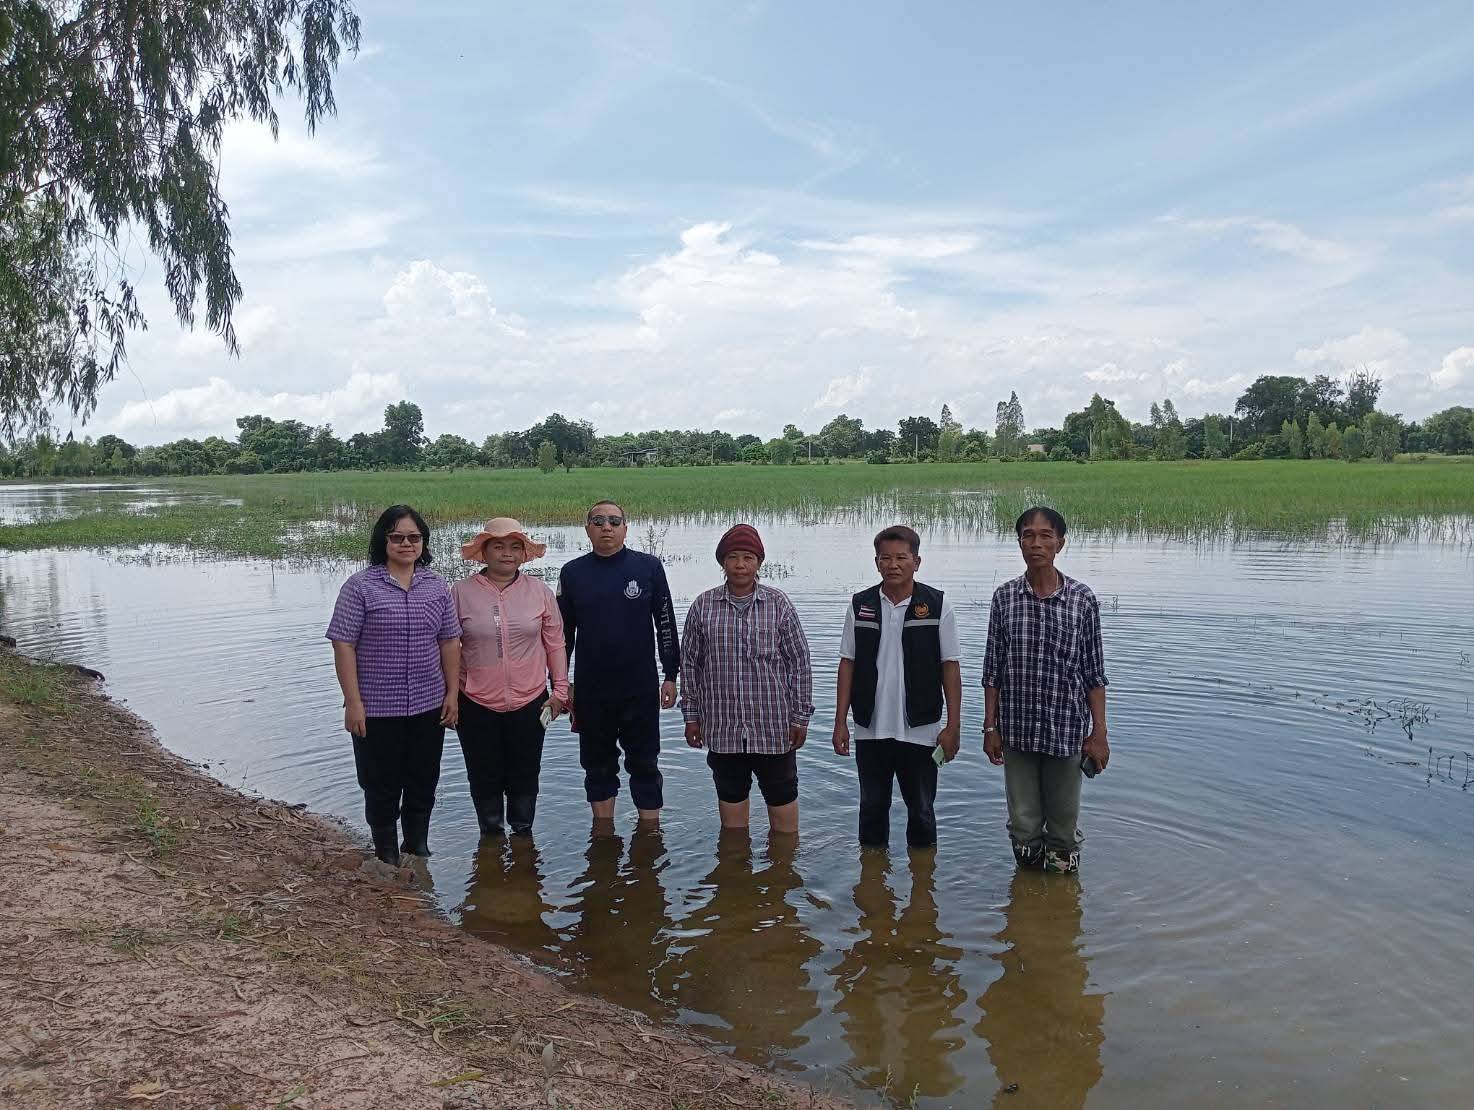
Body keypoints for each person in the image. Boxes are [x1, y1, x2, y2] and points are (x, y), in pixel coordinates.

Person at [326, 505, 460, 866]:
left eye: (414, 537)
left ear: (423, 542)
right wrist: (353, 702)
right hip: (376, 706)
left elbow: (449, 641)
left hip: (428, 703)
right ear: (383, 540)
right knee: (379, 784)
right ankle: (386, 856)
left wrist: (452, 693)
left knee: (423, 781)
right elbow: (343, 644)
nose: (406, 544)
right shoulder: (360, 587)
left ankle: (417, 851)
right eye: (397, 537)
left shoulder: (436, 586)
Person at [982, 506, 1109, 873]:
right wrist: (990, 727)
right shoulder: (1004, 598)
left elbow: (1094, 674)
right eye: (1028, 536)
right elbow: (993, 671)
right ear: (1019, 543)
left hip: (1065, 731)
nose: (1036, 543)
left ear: (1060, 543)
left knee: (1063, 830)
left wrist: (1099, 733)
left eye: (1045, 536)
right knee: (1023, 827)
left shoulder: (1082, 600)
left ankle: (1061, 899)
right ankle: (1027, 895)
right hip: (1017, 731)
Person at [832, 525, 962, 851]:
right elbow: (847, 663)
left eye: (901, 558)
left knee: (922, 811)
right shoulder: (860, 605)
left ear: (916, 562)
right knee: (871, 808)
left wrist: (953, 726)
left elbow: (950, 667)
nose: (893, 565)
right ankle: (872, 874)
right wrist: (840, 722)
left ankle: (923, 877)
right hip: (870, 728)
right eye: (885, 558)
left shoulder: (937, 606)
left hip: (921, 729)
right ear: (876, 562)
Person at [680, 524, 813, 833]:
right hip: (722, 728)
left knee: (784, 821)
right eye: (733, 557)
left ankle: (784, 863)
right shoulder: (703, 606)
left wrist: (801, 717)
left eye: (748, 558)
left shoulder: (778, 604)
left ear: (759, 563)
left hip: (774, 728)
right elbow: (690, 665)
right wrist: (691, 717)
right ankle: (734, 863)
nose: (740, 565)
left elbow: (800, 663)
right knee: (732, 826)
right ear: (722, 562)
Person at [557, 500, 680, 825]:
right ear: (587, 530)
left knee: (645, 764)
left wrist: (670, 674)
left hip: (640, 688)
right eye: (598, 521)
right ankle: (603, 835)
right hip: (591, 690)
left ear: (626, 528)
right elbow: (562, 635)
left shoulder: (648, 567)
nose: (606, 527)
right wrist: (559, 683)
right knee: (597, 767)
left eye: (614, 521)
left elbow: (665, 623)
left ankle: (650, 835)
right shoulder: (572, 573)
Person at [452, 517, 568, 837]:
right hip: (474, 701)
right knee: (482, 775)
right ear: (484, 551)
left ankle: (523, 842)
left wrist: (560, 691)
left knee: (525, 775)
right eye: (498, 546)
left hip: (531, 700)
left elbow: (555, 643)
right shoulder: (460, 592)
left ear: (523, 553)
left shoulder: (539, 592)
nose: (507, 553)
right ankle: (490, 838)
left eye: (515, 547)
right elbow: (448, 646)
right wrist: (449, 697)